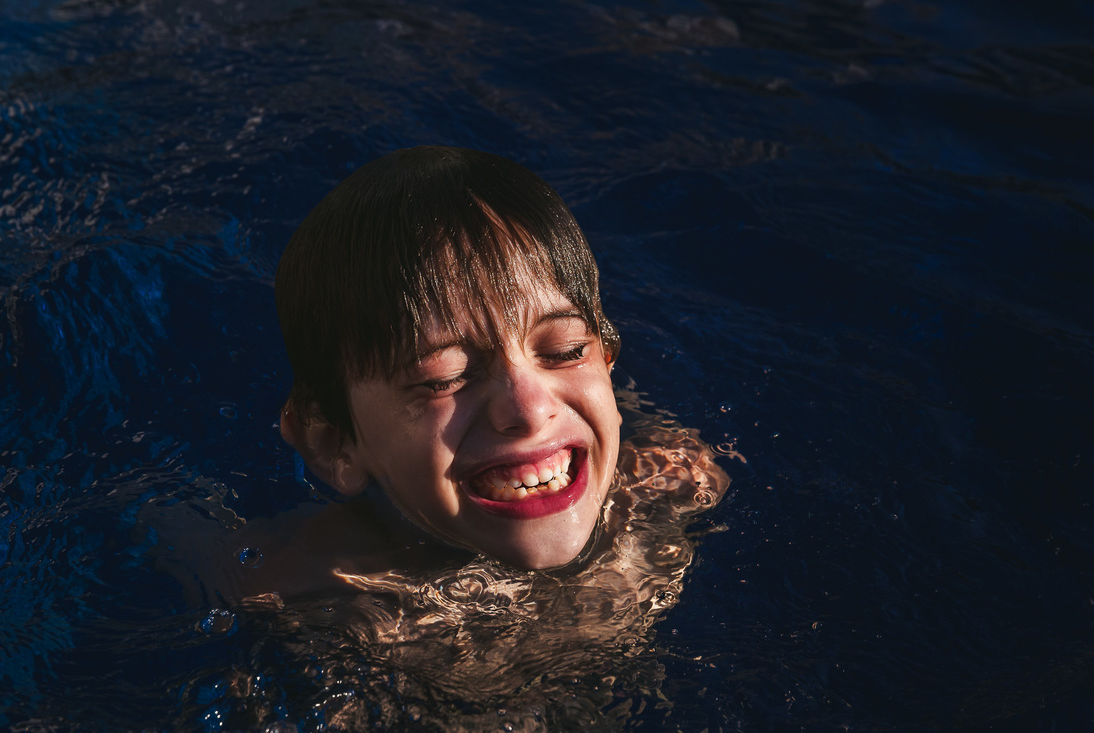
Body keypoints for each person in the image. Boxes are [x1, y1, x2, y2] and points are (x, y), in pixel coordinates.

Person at [162, 145, 729, 607]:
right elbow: (171, 538)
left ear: (607, 359)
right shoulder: (309, 592)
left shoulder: (669, 485)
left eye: (563, 350)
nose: (530, 409)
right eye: (444, 379)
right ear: (333, 442)